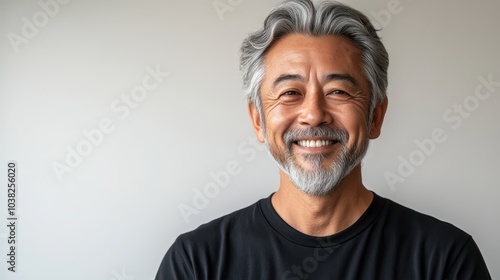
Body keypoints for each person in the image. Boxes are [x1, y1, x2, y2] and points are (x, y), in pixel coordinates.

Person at [155, 0, 491, 279]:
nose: (313, 114)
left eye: (338, 91)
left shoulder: (444, 260)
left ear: (375, 116)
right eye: (290, 93)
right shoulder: (197, 263)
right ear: (258, 120)